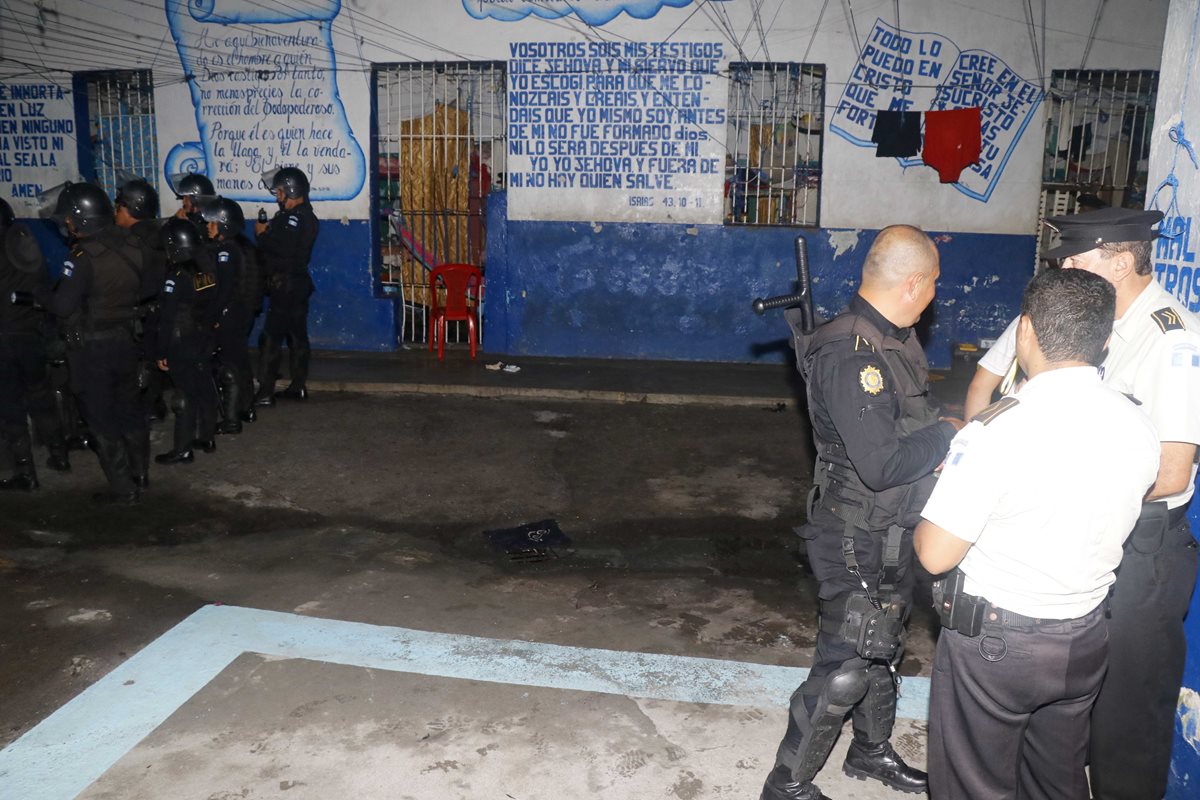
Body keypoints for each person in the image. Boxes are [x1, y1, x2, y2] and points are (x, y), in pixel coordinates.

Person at [915, 268, 1160, 798]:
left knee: (974, 783)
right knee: (1058, 782)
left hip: (999, 647)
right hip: (1086, 638)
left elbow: (935, 556)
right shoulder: (1138, 425)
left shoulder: (998, 431)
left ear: (1025, 331)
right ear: (1105, 339)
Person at [761, 225, 961, 800]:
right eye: (934, 285)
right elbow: (879, 463)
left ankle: (870, 753)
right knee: (846, 662)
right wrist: (947, 436)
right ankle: (786, 785)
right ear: (914, 282)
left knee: (884, 647)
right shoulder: (853, 354)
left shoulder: (891, 339)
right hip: (854, 532)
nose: (934, 297)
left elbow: (903, 429)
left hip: (893, 528)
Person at [1040, 206, 1200, 800]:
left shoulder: (1170, 339)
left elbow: (1172, 470)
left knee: (1127, 726)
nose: (1069, 270)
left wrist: (1065, 490)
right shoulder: (1108, 326)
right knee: (1080, 707)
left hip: (1145, 555)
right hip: (1104, 536)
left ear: (1123, 260)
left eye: (1081, 260)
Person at [35, 182, 154, 503]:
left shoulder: (82, 256)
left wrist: (40, 294)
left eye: (70, 218)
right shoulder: (134, 244)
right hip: (128, 342)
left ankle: (123, 488)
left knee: (101, 418)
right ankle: (141, 476)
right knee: (130, 411)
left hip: (93, 350)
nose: (67, 224)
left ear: (82, 219)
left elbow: (62, 306)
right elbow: (149, 289)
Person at [0, 198, 69, 489]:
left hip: (5, 339)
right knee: (41, 398)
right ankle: (59, 453)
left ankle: (26, 473)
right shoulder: (26, 240)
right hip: (33, 334)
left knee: (11, 406)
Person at [154, 217, 220, 464]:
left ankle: (182, 449)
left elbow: (168, 318)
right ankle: (207, 437)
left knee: (184, 396)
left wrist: (161, 352)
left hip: (181, 343)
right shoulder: (207, 269)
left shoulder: (177, 276)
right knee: (204, 389)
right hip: (203, 338)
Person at [253, 166, 318, 405]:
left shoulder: (295, 217)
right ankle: (297, 386)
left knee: (271, 338)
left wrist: (262, 235)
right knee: (296, 337)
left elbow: (284, 249)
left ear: (291, 190)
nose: (277, 195)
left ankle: (265, 392)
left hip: (287, 285)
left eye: (280, 191)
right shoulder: (303, 216)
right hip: (295, 285)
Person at [197, 196, 256, 433]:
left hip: (229, 315)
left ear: (224, 225)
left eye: (212, 223)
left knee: (230, 366)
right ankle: (246, 407)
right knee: (238, 361)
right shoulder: (228, 248)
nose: (208, 227)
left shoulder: (227, 252)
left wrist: (212, 318)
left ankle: (233, 418)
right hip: (235, 313)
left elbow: (223, 290)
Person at [114, 176, 169, 426]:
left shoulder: (129, 241)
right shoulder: (159, 232)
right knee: (151, 358)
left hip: (138, 309)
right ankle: (154, 404)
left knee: (139, 361)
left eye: (119, 207)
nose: (117, 212)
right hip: (158, 308)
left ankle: (143, 406)